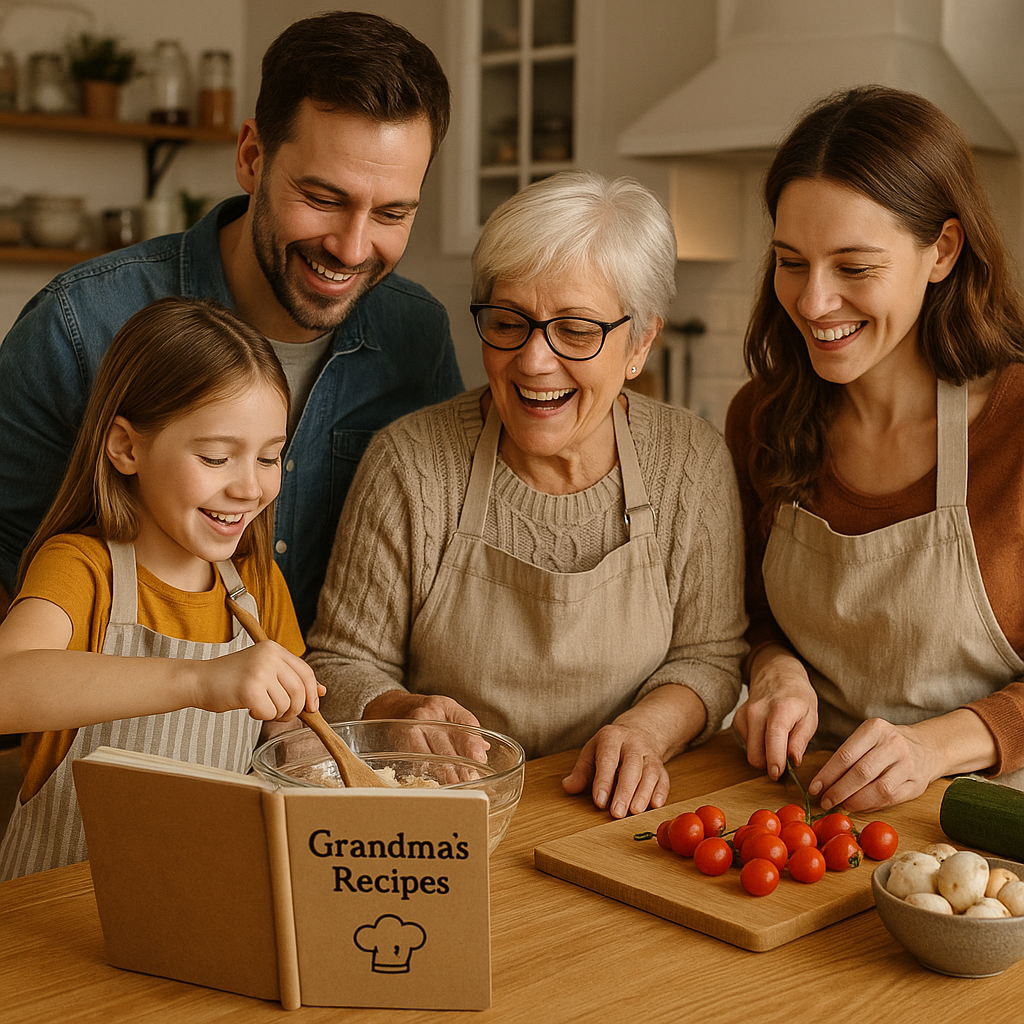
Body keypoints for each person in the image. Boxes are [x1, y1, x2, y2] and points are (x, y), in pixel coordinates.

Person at [0, 11, 463, 633]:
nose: (352, 249)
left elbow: (435, 565)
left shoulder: (419, 338)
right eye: (323, 199)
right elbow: (12, 576)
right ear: (251, 156)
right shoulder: (75, 325)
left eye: (391, 213)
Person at [306, 170, 747, 819]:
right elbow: (339, 663)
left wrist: (645, 731)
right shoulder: (413, 463)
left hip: (621, 814)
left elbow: (709, 658)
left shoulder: (690, 460)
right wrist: (398, 712)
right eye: (509, 321)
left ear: (641, 341)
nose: (534, 361)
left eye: (575, 330)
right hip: (450, 816)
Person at [725, 86, 1024, 814]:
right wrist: (773, 671)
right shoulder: (758, 417)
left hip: (986, 837)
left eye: (854, 268)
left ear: (942, 251)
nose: (813, 302)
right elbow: (752, 615)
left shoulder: (1017, 429)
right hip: (801, 812)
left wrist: (935, 745)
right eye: (791, 262)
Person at [0, 297, 321, 880]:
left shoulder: (254, 585)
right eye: (217, 457)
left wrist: (307, 756)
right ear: (127, 446)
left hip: (194, 901)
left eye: (271, 458)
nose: (250, 487)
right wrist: (199, 680)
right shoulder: (81, 568)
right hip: (57, 923)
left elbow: (286, 723)